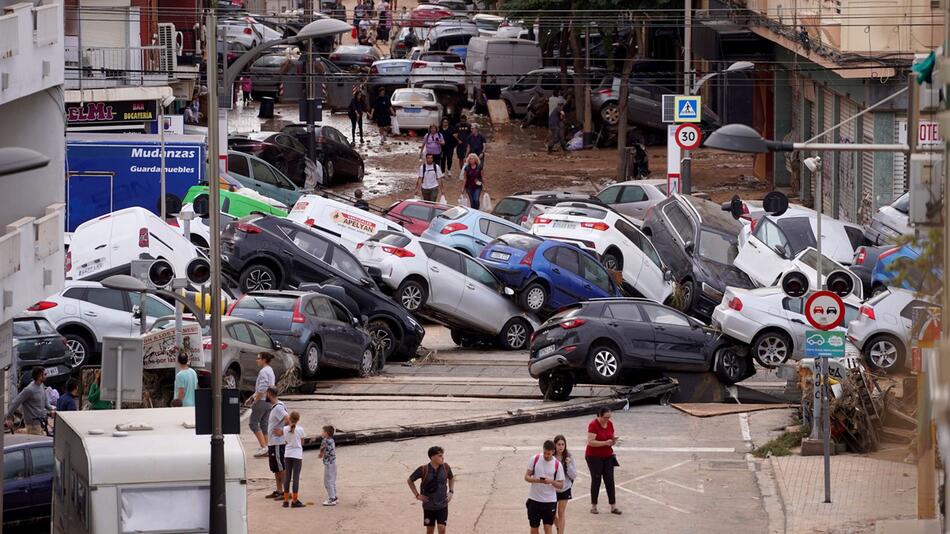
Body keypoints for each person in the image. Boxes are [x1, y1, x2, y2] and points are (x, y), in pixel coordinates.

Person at [408, 446, 454, 534]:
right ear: (432, 457)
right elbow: (410, 480)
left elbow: (451, 478)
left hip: (442, 505)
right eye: (440, 456)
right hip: (428, 506)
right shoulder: (423, 469)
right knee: (430, 530)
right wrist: (417, 495)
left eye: (442, 455)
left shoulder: (446, 467)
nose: (442, 457)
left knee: (442, 528)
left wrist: (451, 492)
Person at [524, 440, 565, 534]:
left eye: (549, 454)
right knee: (534, 528)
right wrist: (537, 480)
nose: (546, 455)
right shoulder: (535, 459)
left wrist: (550, 481)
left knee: (548, 527)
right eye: (545, 453)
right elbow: (526, 477)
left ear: (553, 452)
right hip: (534, 499)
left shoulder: (557, 464)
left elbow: (561, 485)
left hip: (549, 501)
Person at [585, 407, 621, 515]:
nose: (607, 420)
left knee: (610, 480)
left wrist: (613, 441)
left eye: (609, 417)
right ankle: (594, 506)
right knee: (596, 480)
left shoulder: (610, 424)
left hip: (608, 455)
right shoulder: (593, 425)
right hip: (594, 456)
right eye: (605, 417)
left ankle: (613, 506)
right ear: (599, 416)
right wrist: (605, 443)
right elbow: (590, 442)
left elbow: (611, 437)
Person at [244, 352, 276, 458]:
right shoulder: (270, 370)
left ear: (264, 360)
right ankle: (267, 447)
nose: (256, 360)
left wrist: (255, 400)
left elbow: (262, 388)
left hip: (261, 400)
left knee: (253, 423)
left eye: (258, 358)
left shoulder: (263, 371)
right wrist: (252, 397)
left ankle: (264, 447)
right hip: (268, 401)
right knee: (264, 424)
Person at [5, 368, 53, 434]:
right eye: (45, 374)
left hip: (41, 422)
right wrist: (9, 418)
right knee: (37, 443)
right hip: (33, 424)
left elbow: (45, 402)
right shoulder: (29, 390)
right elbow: (15, 402)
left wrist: (52, 409)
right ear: (39, 376)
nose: (46, 376)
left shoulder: (41, 385)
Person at [265, 387, 289, 500]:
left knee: (281, 468)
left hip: (278, 443)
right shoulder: (276, 407)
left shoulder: (278, 408)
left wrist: (282, 431)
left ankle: (286, 491)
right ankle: (279, 491)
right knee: (276, 468)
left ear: (269, 394)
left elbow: (289, 419)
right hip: (273, 443)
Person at [553, 435, 577, 534]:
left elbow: (574, 475)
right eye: (558, 444)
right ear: (555, 445)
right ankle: (559, 527)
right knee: (551, 513)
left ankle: (560, 532)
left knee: (561, 512)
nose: (561, 447)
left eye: (563, 444)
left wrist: (569, 465)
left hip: (565, 487)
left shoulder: (569, 456)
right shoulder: (551, 457)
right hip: (552, 489)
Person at [282, 411, 306, 508]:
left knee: (287, 477)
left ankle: (286, 500)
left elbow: (286, 441)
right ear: (298, 419)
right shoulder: (300, 429)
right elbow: (302, 442)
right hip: (297, 455)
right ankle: (295, 500)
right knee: (295, 478)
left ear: (290, 418)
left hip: (288, 454)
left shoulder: (284, 429)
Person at [319, 424, 338, 506]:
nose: (322, 433)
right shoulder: (332, 440)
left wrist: (320, 454)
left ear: (326, 433)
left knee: (327, 481)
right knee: (332, 481)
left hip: (328, 464)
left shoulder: (325, 440)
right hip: (333, 462)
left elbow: (322, 448)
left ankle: (332, 498)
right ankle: (334, 496)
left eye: (323, 432)